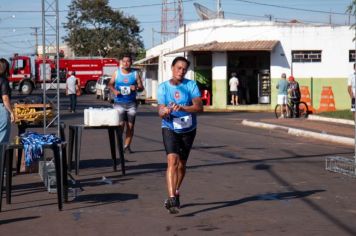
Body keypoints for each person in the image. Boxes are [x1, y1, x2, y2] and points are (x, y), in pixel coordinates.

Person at [157, 56, 203, 214]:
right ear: (172, 68)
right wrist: (165, 111)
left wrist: (183, 108)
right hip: (169, 127)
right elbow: (160, 110)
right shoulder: (163, 87)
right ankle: (171, 198)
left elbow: (199, 107)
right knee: (172, 161)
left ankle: (176, 190)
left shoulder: (191, 85)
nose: (181, 71)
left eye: (184, 69)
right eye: (178, 68)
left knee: (182, 165)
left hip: (188, 129)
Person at [108, 54, 144, 154]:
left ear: (131, 62)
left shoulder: (135, 74)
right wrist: (114, 91)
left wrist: (136, 87)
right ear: (121, 62)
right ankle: (119, 145)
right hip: (119, 103)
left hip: (131, 104)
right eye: (124, 61)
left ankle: (127, 146)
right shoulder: (117, 73)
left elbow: (141, 87)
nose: (126, 63)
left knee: (130, 126)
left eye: (128, 61)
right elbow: (110, 84)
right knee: (121, 125)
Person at [0, 58, 15, 152]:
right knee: (2, 141)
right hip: (1, 110)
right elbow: (5, 99)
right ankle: (1, 165)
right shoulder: (3, 80)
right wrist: (11, 112)